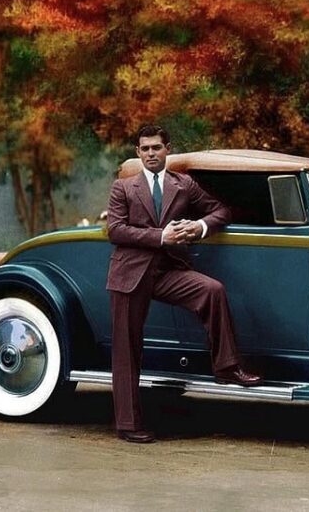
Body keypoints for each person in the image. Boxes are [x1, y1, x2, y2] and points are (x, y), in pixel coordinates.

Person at [106, 124, 261, 443]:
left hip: (168, 272)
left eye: (157, 148)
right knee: (127, 349)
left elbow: (222, 211)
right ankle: (128, 424)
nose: (151, 153)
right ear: (138, 152)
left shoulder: (184, 184)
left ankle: (226, 366)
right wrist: (160, 236)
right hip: (130, 275)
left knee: (212, 290)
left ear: (168, 150)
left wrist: (200, 226)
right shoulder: (124, 187)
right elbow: (116, 231)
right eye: (145, 149)